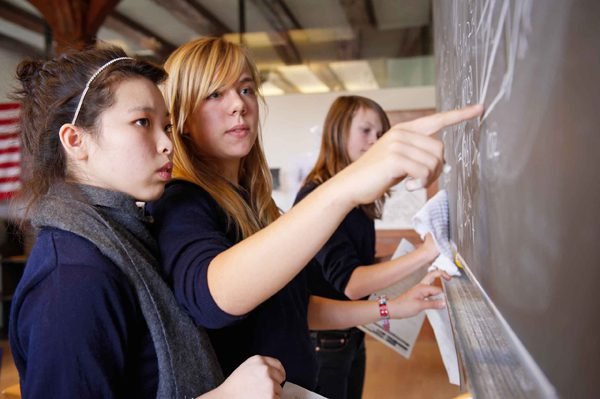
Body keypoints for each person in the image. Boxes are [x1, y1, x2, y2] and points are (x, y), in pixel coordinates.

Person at [148, 37, 483, 391]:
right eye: (215, 94)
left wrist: (391, 308)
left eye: (245, 89)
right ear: (181, 118)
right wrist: (345, 186)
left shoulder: (251, 203)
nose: (238, 105)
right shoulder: (181, 201)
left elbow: (295, 309)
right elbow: (212, 298)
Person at [9, 46, 286, 399]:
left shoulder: (127, 235)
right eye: (143, 123)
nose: (167, 143)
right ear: (76, 141)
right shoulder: (72, 275)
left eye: (167, 126)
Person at [294, 95, 441, 399]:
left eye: (381, 133)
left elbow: (355, 263)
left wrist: (408, 258)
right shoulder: (320, 195)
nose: (376, 141)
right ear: (338, 132)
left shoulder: (357, 197)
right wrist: (422, 254)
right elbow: (352, 283)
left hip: (351, 335)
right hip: (324, 343)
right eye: (366, 131)